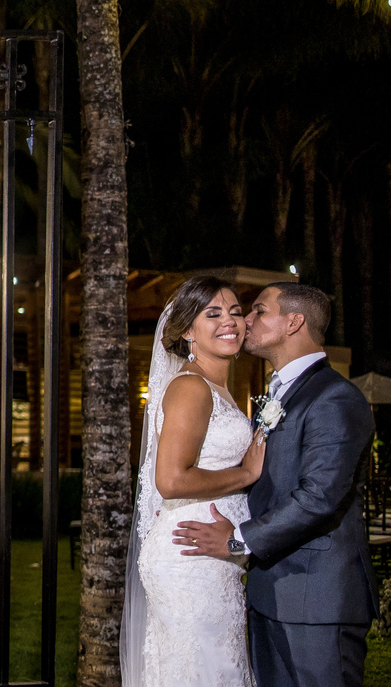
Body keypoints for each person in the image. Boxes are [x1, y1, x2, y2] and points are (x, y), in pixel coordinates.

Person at [174, 282, 378, 687]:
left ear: (294, 322)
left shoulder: (335, 397)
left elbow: (319, 497)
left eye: (259, 311)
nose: (244, 320)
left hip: (318, 600)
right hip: (269, 592)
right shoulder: (279, 391)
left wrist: (238, 541)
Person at [121, 276, 266, 686]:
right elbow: (171, 480)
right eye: (213, 314)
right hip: (190, 556)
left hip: (211, 551)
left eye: (235, 312)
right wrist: (246, 474)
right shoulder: (191, 388)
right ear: (188, 331)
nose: (230, 322)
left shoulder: (217, 386)